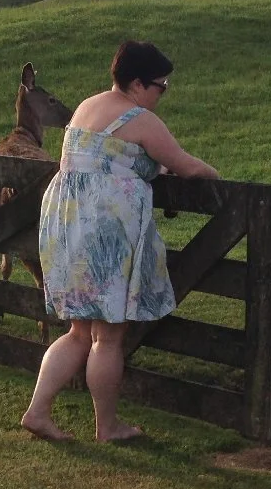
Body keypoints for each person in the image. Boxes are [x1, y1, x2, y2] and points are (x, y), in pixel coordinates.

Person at [21, 40, 218, 443]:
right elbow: (186, 166)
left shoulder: (86, 107)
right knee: (108, 336)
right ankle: (107, 426)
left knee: (78, 331)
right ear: (137, 83)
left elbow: (109, 159)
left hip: (68, 222)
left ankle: (38, 412)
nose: (162, 95)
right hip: (105, 231)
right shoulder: (141, 119)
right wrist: (218, 178)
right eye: (161, 86)